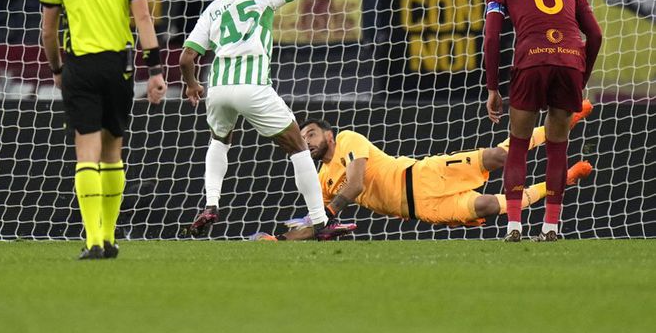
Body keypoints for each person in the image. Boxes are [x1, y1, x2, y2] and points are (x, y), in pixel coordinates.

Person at [180, 0, 376, 240]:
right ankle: (322, 223)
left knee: (219, 141)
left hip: (218, 88)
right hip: (252, 86)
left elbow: (186, 58)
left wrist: (192, 85)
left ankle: (211, 205)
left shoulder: (213, 9)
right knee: (298, 147)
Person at [40, 0, 167, 260]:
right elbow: (143, 18)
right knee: (113, 152)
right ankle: (109, 237)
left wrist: (56, 69)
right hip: (119, 65)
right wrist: (155, 70)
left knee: (86, 151)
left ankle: (94, 239)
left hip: (80, 64)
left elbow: (48, 32)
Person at [252, 110, 593, 241]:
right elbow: (318, 224)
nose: (306, 140)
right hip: (421, 210)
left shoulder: (347, 139)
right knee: (489, 205)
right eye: (303, 136)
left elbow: (355, 184)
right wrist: (280, 241)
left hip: (424, 175)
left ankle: (559, 125)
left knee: (499, 156)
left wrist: (329, 213)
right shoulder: (322, 179)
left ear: (328, 135)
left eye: (310, 133)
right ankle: (562, 180)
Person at [483, 0, 602, 242]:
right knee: (557, 146)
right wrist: (580, 78)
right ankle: (551, 227)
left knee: (519, 145)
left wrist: (492, 88)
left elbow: (492, 38)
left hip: (532, 61)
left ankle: (513, 227)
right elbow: (596, 35)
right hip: (570, 63)